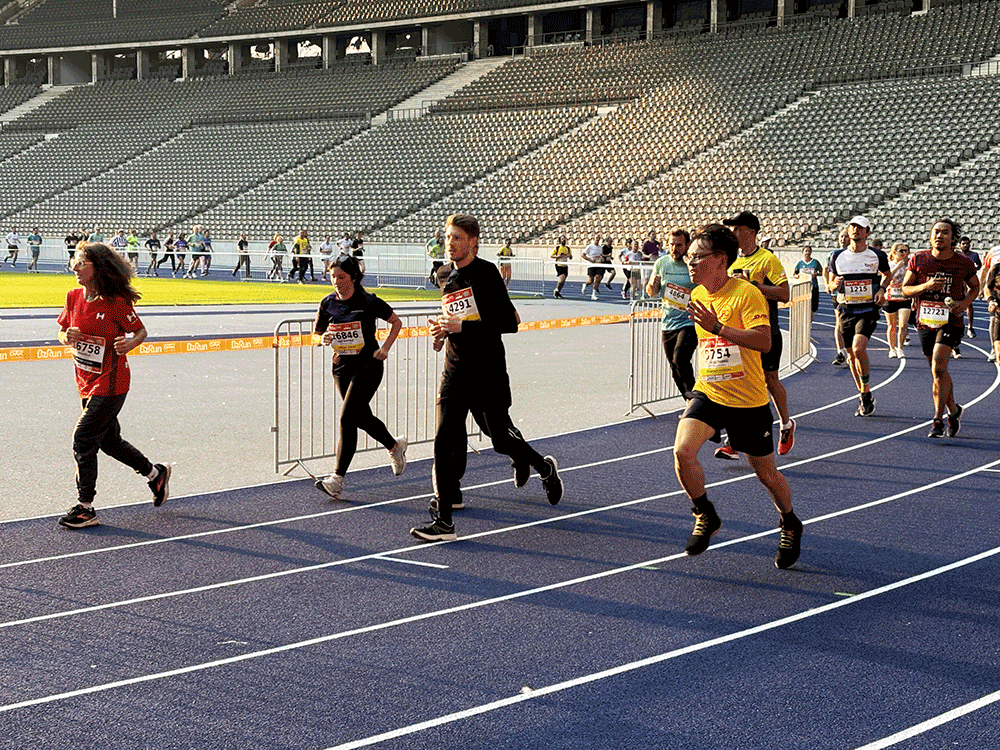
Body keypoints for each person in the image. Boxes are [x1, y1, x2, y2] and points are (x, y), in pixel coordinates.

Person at [411, 214, 563, 542]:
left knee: (501, 440)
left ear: (473, 242)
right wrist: (441, 333)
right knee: (444, 439)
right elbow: (453, 319)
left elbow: (509, 322)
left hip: (487, 371)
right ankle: (444, 522)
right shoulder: (445, 276)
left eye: (456, 239)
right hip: (455, 370)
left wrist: (461, 327)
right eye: (447, 238)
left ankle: (543, 467)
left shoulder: (486, 273)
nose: (450, 244)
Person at [673, 224, 802, 569]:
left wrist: (720, 328)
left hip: (747, 399)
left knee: (766, 474)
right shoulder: (698, 295)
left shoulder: (746, 294)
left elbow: (764, 342)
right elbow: (708, 345)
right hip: (710, 391)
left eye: (698, 257)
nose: (691, 263)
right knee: (683, 452)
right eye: (690, 257)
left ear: (720, 260)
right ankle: (705, 513)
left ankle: (789, 521)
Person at [56, 242, 171, 529]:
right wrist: (66, 336)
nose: (74, 267)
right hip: (85, 380)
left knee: (83, 439)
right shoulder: (73, 297)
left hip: (112, 382)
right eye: (75, 261)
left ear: (98, 267)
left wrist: (130, 343)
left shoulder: (116, 302)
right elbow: (61, 332)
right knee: (109, 441)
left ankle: (86, 508)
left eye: (81, 262)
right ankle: (155, 475)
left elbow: (141, 330)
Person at [312, 254, 407, 500]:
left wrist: (384, 348)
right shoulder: (327, 303)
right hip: (341, 367)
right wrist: (321, 339)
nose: (336, 281)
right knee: (360, 416)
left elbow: (396, 322)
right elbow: (315, 334)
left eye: (341, 277)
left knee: (347, 417)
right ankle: (394, 446)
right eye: (333, 276)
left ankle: (337, 479)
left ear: (353, 277)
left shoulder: (367, 300)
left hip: (368, 365)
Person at [718, 211, 795, 457]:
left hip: (765, 331)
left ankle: (786, 424)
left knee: (770, 381)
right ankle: (734, 441)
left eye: (737, 229)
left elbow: (784, 295)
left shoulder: (767, 260)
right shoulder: (732, 263)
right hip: (740, 335)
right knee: (738, 382)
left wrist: (755, 287)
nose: (733, 234)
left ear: (750, 231)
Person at [901, 218, 979, 438]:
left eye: (945, 233)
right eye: (936, 232)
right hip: (925, 320)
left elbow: (975, 287)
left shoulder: (963, 262)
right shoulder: (919, 259)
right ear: (930, 235)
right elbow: (905, 289)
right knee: (938, 371)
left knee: (938, 366)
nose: (939, 236)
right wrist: (925, 286)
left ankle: (937, 420)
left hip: (950, 321)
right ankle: (953, 410)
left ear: (953, 238)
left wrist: (964, 304)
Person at [825, 216, 891, 416]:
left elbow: (887, 275)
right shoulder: (837, 256)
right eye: (852, 227)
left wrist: (881, 290)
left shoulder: (877, 255)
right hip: (846, 309)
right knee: (851, 357)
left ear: (867, 233)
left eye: (860, 228)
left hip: (867, 309)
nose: (855, 231)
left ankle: (865, 390)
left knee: (858, 347)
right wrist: (832, 286)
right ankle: (864, 393)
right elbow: (829, 283)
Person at [646, 228, 696, 396]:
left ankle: (697, 402)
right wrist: (652, 285)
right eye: (671, 245)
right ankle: (690, 400)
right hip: (668, 322)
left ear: (687, 245)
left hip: (690, 321)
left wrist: (692, 268)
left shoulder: (693, 263)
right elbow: (651, 292)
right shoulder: (662, 263)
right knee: (674, 368)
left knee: (680, 359)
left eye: (679, 245)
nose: (675, 249)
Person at [826, 227, 851, 367]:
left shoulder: (856, 255)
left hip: (854, 296)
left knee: (851, 325)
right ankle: (841, 352)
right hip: (838, 294)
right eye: (841, 236)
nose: (843, 239)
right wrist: (829, 285)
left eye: (846, 236)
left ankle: (851, 351)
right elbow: (827, 271)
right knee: (839, 323)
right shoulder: (833, 254)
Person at [883, 243, 911, 358]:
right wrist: (898, 266)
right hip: (890, 297)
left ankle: (900, 348)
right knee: (891, 325)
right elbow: (886, 278)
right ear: (894, 252)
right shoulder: (888, 264)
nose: (904, 253)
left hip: (904, 297)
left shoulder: (909, 265)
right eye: (901, 251)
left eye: (906, 251)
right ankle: (892, 348)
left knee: (903, 324)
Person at [792, 245, 822, 320]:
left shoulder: (815, 262)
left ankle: (811, 317)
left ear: (811, 252)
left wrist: (816, 274)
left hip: (813, 286)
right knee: (804, 304)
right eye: (806, 251)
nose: (807, 253)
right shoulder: (800, 263)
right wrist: (798, 276)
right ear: (802, 252)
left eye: (809, 251)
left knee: (813, 304)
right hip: (803, 286)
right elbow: (794, 274)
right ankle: (805, 318)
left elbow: (821, 272)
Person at [983, 255, 1000, 369]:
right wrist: (991, 301)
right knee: (999, 352)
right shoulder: (997, 268)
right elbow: (987, 287)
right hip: (999, 313)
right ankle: (995, 352)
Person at [581, 235, 604, 301]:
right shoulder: (590, 247)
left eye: (599, 238)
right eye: (596, 238)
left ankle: (594, 294)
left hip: (598, 264)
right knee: (591, 281)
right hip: (591, 265)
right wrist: (590, 260)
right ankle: (585, 284)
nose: (597, 240)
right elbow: (583, 255)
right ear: (593, 239)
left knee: (597, 278)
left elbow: (600, 255)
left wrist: (602, 258)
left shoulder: (600, 247)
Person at [550, 235, 571, 299]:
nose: (563, 240)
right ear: (560, 240)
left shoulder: (567, 248)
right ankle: (556, 290)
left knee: (563, 280)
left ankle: (557, 291)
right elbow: (552, 256)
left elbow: (570, 257)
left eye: (564, 239)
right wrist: (558, 256)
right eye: (562, 239)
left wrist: (569, 256)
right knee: (562, 279)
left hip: (565, 265)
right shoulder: (557, 248)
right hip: (559, 265)